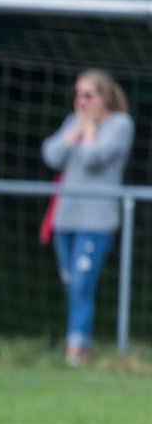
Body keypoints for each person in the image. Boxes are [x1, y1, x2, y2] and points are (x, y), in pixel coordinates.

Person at [41, 69, 135, 366]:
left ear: (106, 97)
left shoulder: (120, 125)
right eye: (78, 94)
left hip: (97, 220)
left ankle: (76, 347)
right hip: (65, 218)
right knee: (72, 284)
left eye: (88, 95)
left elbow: (92, 159)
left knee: (82, 283)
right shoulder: (74, 123)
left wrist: (90, 129)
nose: (81, 101)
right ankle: (79, 344)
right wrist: (76, 132)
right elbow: (51, 155)